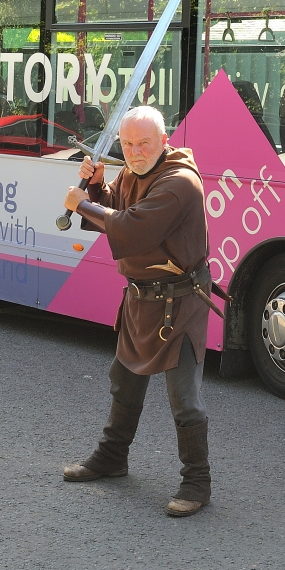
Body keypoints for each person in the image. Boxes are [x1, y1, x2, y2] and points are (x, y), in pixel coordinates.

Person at [60, 105, 215, 517]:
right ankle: (113, 457)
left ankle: (197, 481)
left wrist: (80, 204)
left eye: (143, 143)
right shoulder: (134, 171)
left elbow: (132, 228)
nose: (133, 151)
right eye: (127, 144)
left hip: (180, 301)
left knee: (184, 397)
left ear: (164, 141)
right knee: (123, 380)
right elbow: (116, 207)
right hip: (141, 297)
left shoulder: (181, 183)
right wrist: (96, 188)